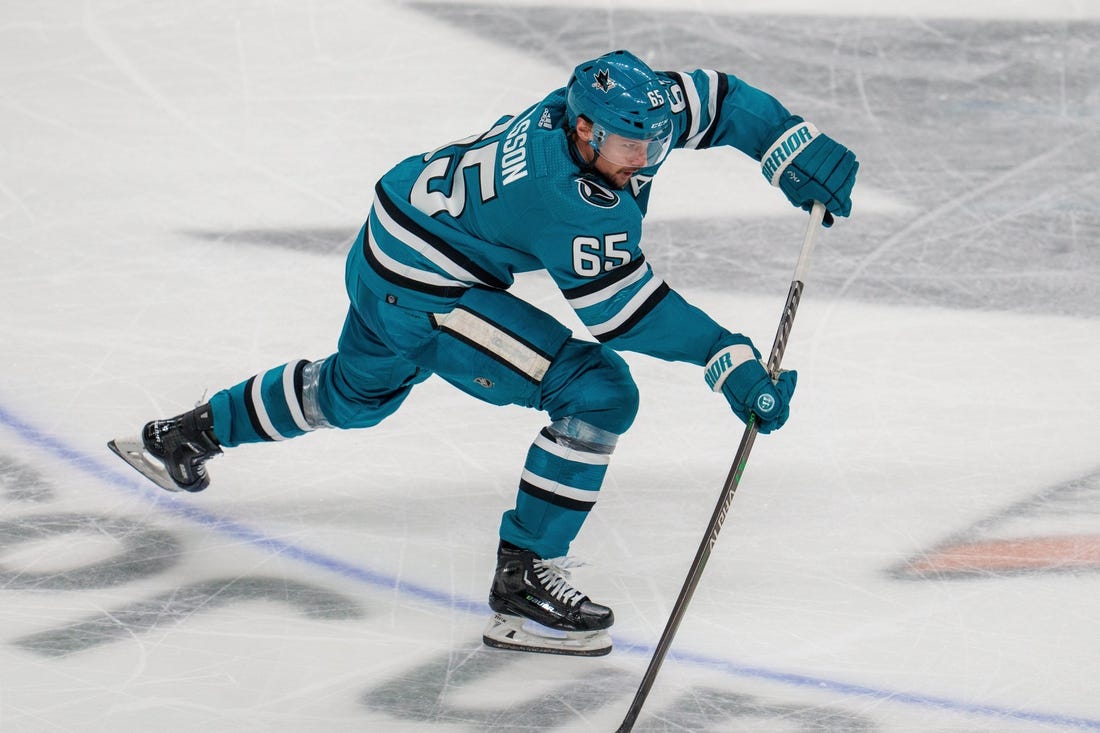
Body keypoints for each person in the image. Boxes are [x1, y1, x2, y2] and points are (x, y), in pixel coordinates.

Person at [110, 50, 857, 656]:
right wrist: (724, 356)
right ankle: (523, 576)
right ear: (589, 135)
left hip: (388, 243)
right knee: (598, 392)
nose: (650, 156)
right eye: (634, 147)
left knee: (351, 395)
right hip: (425, 291)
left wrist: (786, 144)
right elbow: (628, 314)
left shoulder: (612, 116)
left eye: (655, 141)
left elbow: (717, 98)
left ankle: (189, 432)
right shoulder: (567, 200)